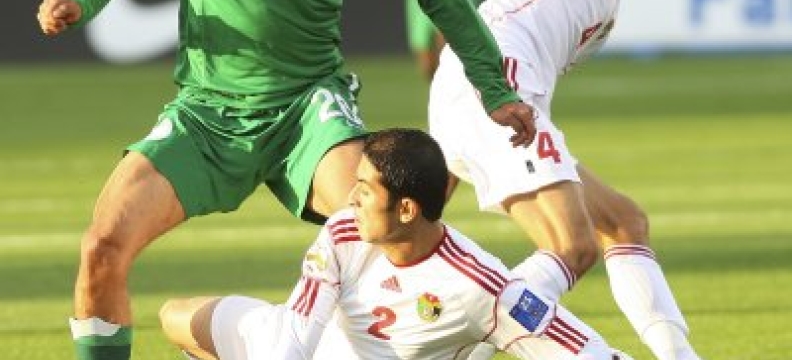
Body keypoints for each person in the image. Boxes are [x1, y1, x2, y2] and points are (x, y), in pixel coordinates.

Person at [35, 0, 538, 359]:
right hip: (207, 114)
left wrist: (494, 87)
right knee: (102, 246)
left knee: (388, 227)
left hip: (308, 109)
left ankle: (488, 318)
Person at [428, 0, 702, 359]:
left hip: (488, 102)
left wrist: (447, 158)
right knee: (571, 247)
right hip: (495, 95)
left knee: (624, 223)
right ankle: (453, 349)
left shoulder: (605, 1)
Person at [159, 128, 631, 360]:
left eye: (366, 189)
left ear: (406, 209)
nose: (351, 198)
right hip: (307, 346)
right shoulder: (344, 232)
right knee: (175, 317)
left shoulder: (478, 285)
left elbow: (579, 348)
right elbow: (295, 336)